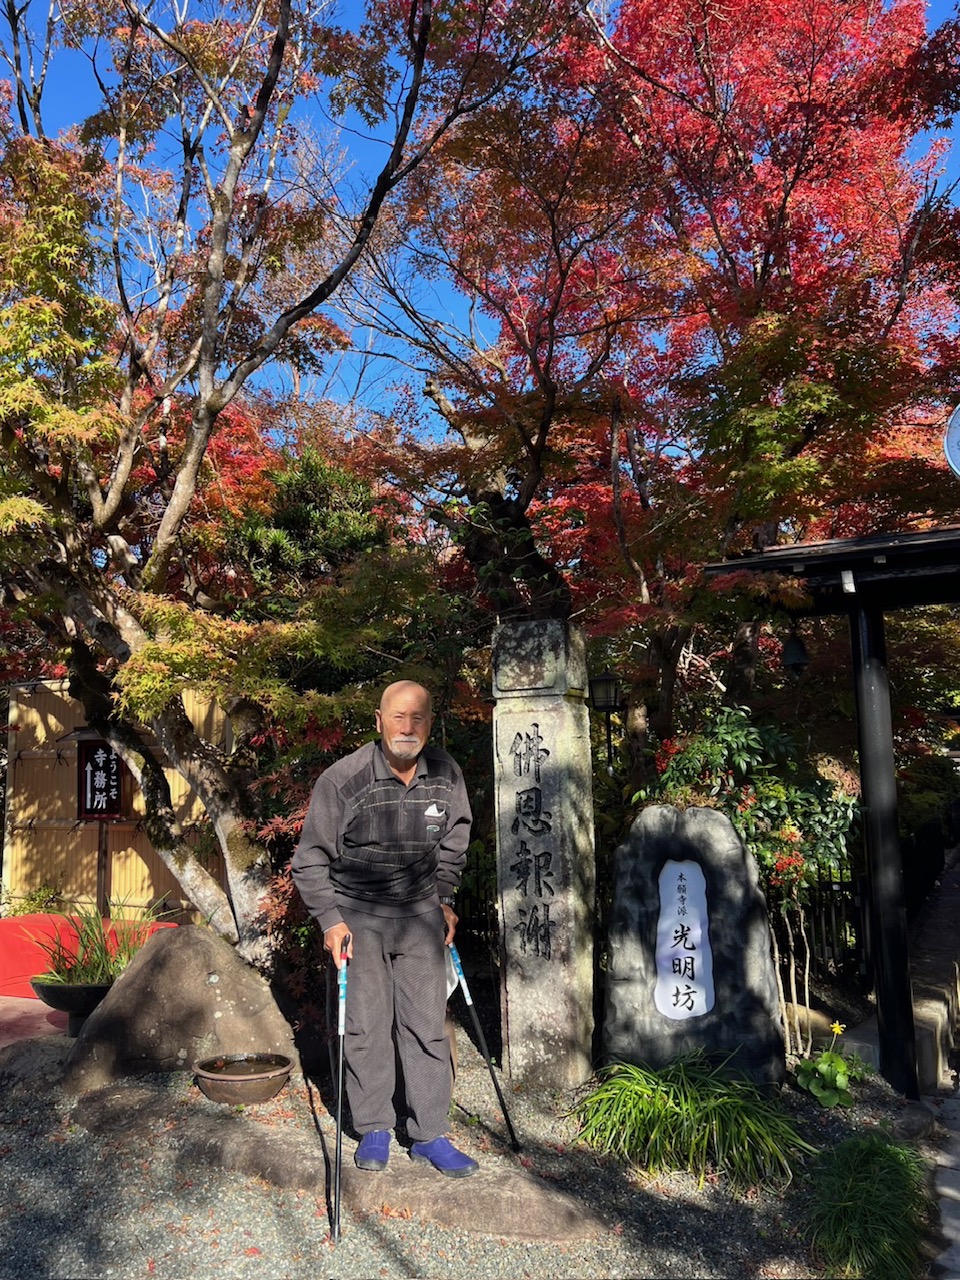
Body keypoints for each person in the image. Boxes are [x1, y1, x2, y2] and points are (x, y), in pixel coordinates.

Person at [291, 680, 478, 1178]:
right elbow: (310, 861)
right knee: (366, 1025)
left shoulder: (446, 774)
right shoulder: (344, 779)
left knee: (426, 1024)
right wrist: (330, 920)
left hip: (419, 914)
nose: (407, 728)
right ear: (378, 721)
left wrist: (444, 899)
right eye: (398, 717)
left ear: (430, 724)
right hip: (359, 915)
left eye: (417, 718)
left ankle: (429, 1133)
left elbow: (455, 841)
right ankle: (374, 1125)